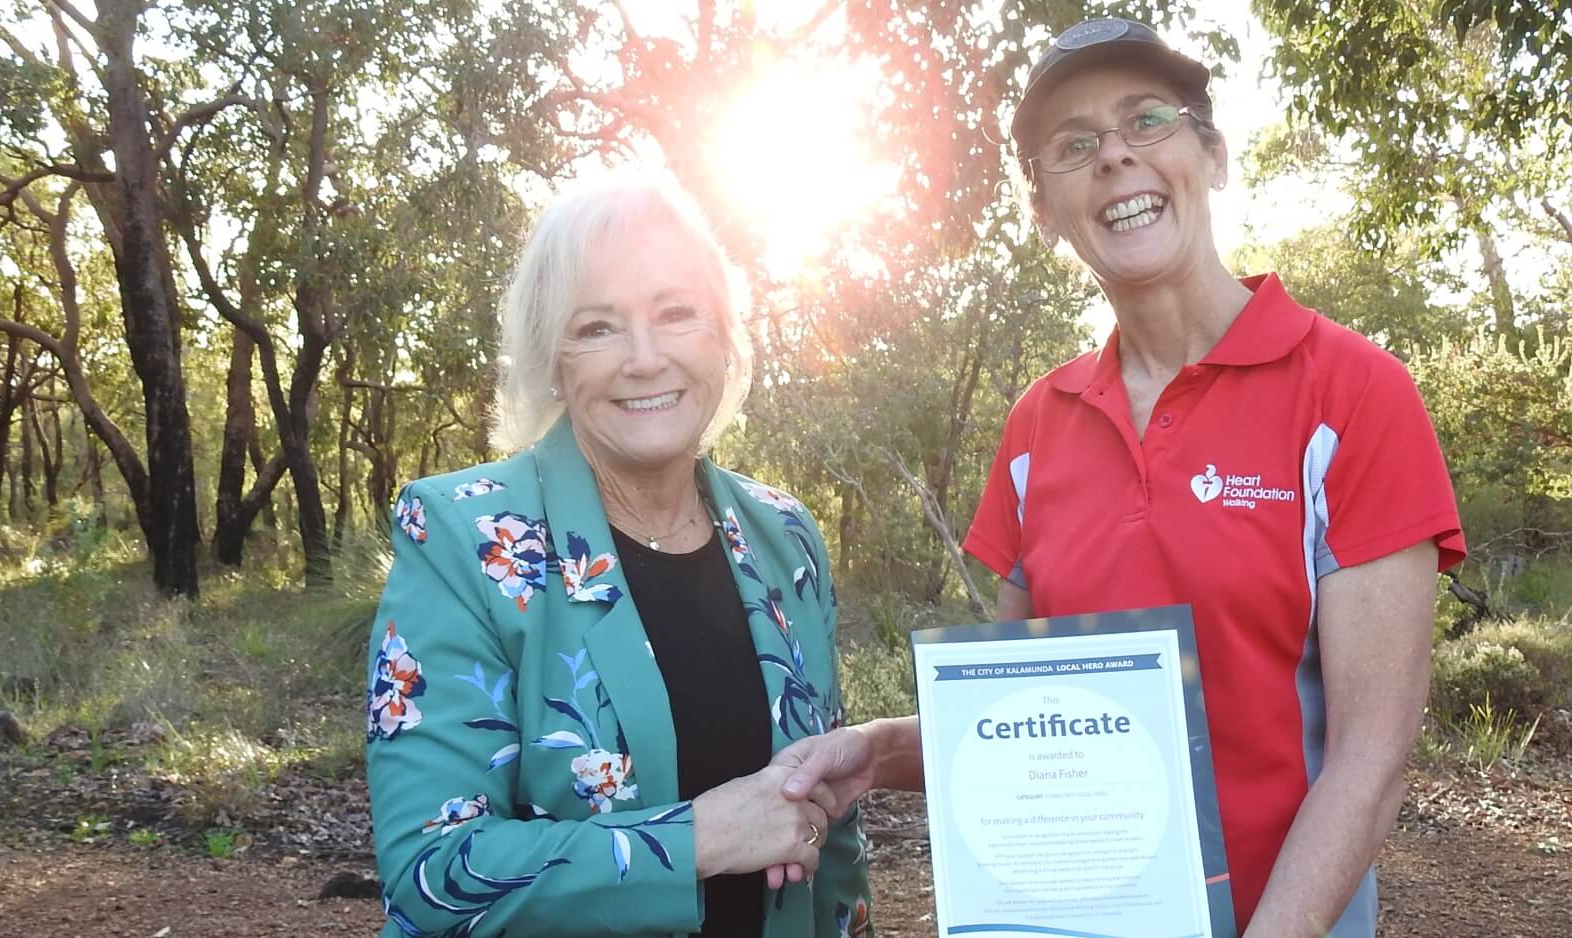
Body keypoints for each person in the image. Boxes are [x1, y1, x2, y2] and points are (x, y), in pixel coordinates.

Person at [776, 17, 1464, 938]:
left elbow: (1370, 761)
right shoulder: (1035, 425)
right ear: (1044, 208)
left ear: (1212, 156)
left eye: (1148, 120)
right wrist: (880, 750)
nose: (1115, 159)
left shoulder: (1352, 395)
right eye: (1074, 145)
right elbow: (1028, 721)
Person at [365, 170, 874, 938]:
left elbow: (829, 842)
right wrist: (696, 841)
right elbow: (432, 875)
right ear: (553, 359)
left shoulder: (784, 536)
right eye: (598, 327)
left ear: (724, 335)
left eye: (677, 314)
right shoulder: (465, 540)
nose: (645, 357)